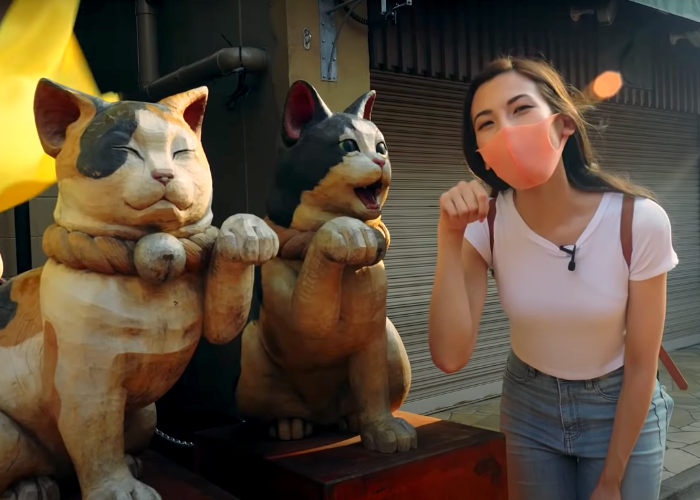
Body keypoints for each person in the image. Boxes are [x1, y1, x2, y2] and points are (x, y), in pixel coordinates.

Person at [428, 57, 677, 500]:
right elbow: (449, 356)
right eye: (486, 123)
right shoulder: (484, 225)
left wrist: (611, 481)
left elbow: (642, 366)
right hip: (529, 408)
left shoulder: (639, 222)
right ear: (480, 153)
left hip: (621, 407)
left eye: (521, 109)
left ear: (562, 126)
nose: (505, 130)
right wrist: (449, 236)